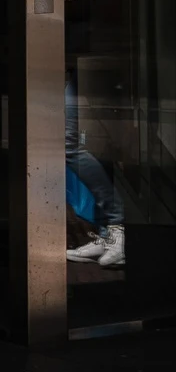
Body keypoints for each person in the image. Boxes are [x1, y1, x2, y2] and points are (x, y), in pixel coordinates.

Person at [66, 77, 126, 268]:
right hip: (82, 69)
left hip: (98, 65)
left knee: (68, 145)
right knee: (95, 146)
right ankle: (106, 235)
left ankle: (117, 225)